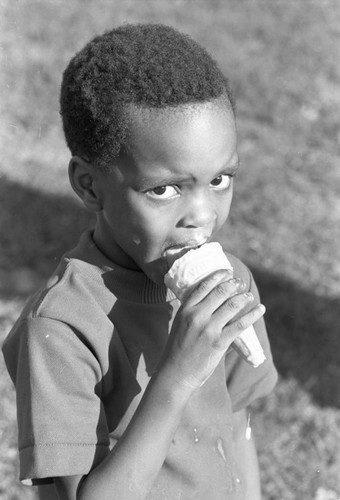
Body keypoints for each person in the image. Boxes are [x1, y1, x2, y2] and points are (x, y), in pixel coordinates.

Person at [2, 23, 278, 500]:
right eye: (163, 189)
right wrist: (176, 378)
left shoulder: (232, 284)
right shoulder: (61, 329)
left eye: (220, 179)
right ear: (90, 186)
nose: (202, 216)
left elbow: (236, 425)